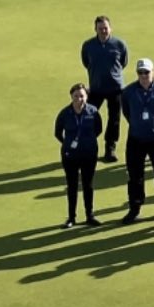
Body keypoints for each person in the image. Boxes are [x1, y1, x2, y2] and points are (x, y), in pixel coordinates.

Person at [119, 58, 154, 224]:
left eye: (146, 72)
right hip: (136, 139)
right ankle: (134, 209)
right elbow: (127, 112)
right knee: (135, 177)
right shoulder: (129, 91)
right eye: (140, 73)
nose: (144, 75)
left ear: (153, 72)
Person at [80, 14, 128, 164]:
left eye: (106, 28)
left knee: (114, 120)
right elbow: (86, 61)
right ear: (95, 29)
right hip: (96, 88)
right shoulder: (88, 45)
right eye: (100, 29)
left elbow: (123, 61)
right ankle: (88, 146)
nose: (103, 31)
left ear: (110, 28)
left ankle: (110, 148)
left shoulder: (119, 44)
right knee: (89, 117)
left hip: (115, 88)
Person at [54, 83, 102, 228]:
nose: (79, 99)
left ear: (86, 97)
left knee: (88, 185)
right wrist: (68, 143)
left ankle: (89, 215)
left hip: (89, 154)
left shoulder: (93, 112)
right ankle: (71, 218)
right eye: (76, 96)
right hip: (70, 156)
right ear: (71, 97)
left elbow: (98, 130)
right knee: (72, 186)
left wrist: (87, 143)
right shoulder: (65, 113)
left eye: (82, 96)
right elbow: (57, 133)